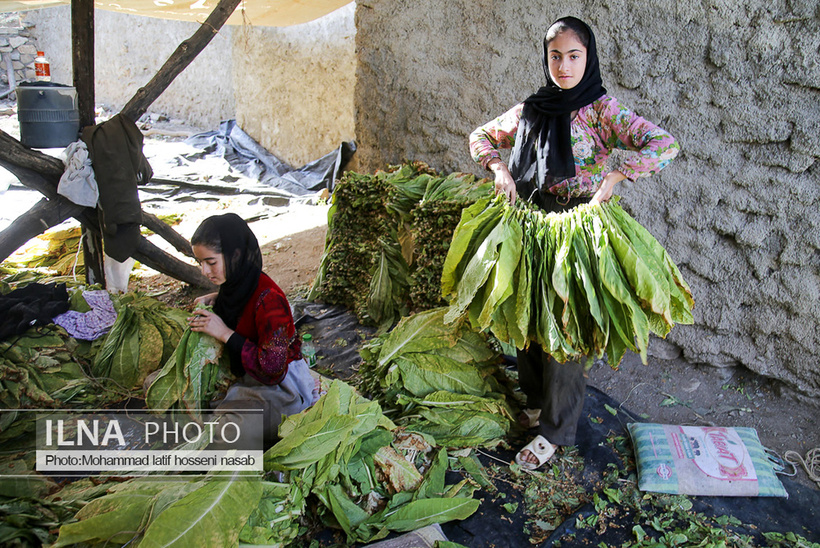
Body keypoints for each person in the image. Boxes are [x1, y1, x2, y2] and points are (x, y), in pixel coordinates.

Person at [469, 16, 679, 469]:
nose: (564, 66)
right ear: (546, 60)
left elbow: (663, 144)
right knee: (525, 320)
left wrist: (618, 175)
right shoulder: (532, 107)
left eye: (574, 56)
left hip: (577, 232)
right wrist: (500, 169)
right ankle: (536, 403)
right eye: (556, 56)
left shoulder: (601, 110)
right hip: (530, 227)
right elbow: (481, 137)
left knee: (563, 330)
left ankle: (557, 430)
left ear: (590, 57)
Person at [188, 213, 317, 449]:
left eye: (211, 262)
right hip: (247, 380)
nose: (204, 272)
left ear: (235, 255)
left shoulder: (270, 301)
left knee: (227, 432)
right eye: (200, 263)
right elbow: (241, 305)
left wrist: (225, 333)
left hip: (281, 389)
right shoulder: (235, 286)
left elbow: (273, 368)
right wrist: (216, 300)